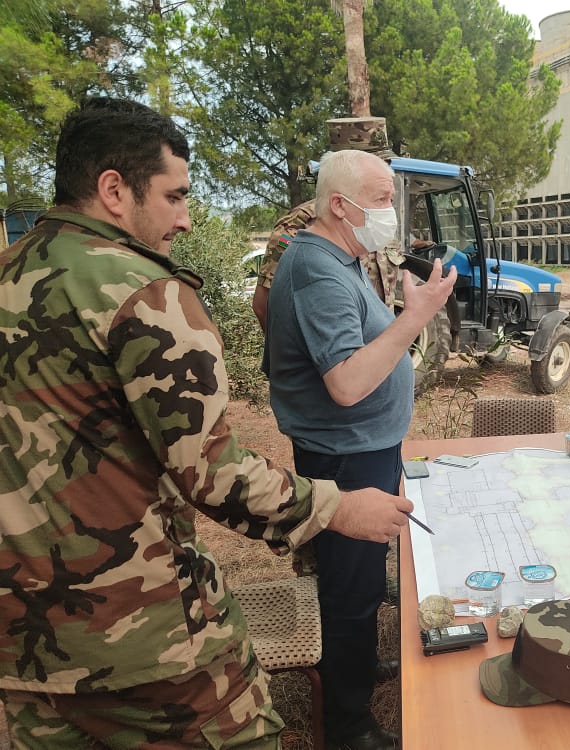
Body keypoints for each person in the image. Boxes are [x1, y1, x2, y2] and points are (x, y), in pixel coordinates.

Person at [0, 97, 413, 748]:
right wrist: (337, 508)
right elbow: (211, 472)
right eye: (174, 196)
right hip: (138, 632)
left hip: (23, 644)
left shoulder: (11, 271)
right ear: (114, 190)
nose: (186, 219)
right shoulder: (143, 292)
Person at [263, 149, 456, 750]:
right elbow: (346, 383)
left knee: (364, 580)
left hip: (363, 448)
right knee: (350, 593)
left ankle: (357, 667)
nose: (389, 212)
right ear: (339, 205)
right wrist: (416, 316)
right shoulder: (317, 267)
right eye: (378, 199)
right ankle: (348, 726)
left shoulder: (341, 258)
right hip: (344, 456)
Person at [251, 198, 406, 330]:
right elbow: (263, 305)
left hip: (381, 352)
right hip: (331, 356)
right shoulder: (303, 220)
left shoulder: (383, 218)